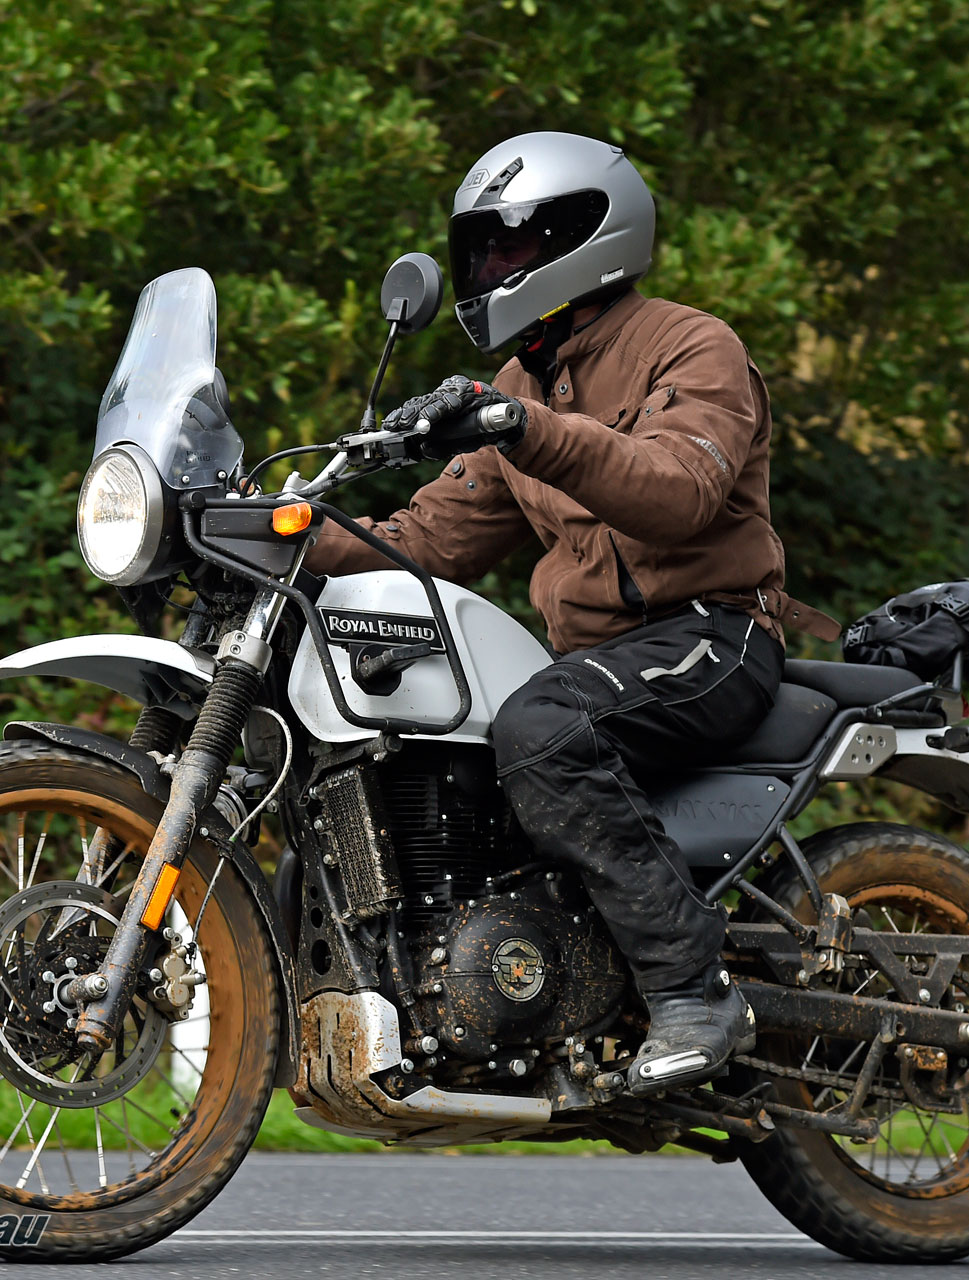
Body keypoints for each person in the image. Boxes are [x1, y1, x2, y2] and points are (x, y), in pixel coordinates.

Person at [306, 132, 835, 1094]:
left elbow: (680, 492)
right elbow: (428, 538)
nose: (491, 268)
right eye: (481, 249)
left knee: (542, 727)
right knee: (460, 747)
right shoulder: (521, 388)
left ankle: (693, 992)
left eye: (512, 245)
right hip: (601, 661)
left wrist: (526, 428)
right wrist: (280, 532)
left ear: (588, 237)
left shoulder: (691, 346)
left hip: (711, 635)